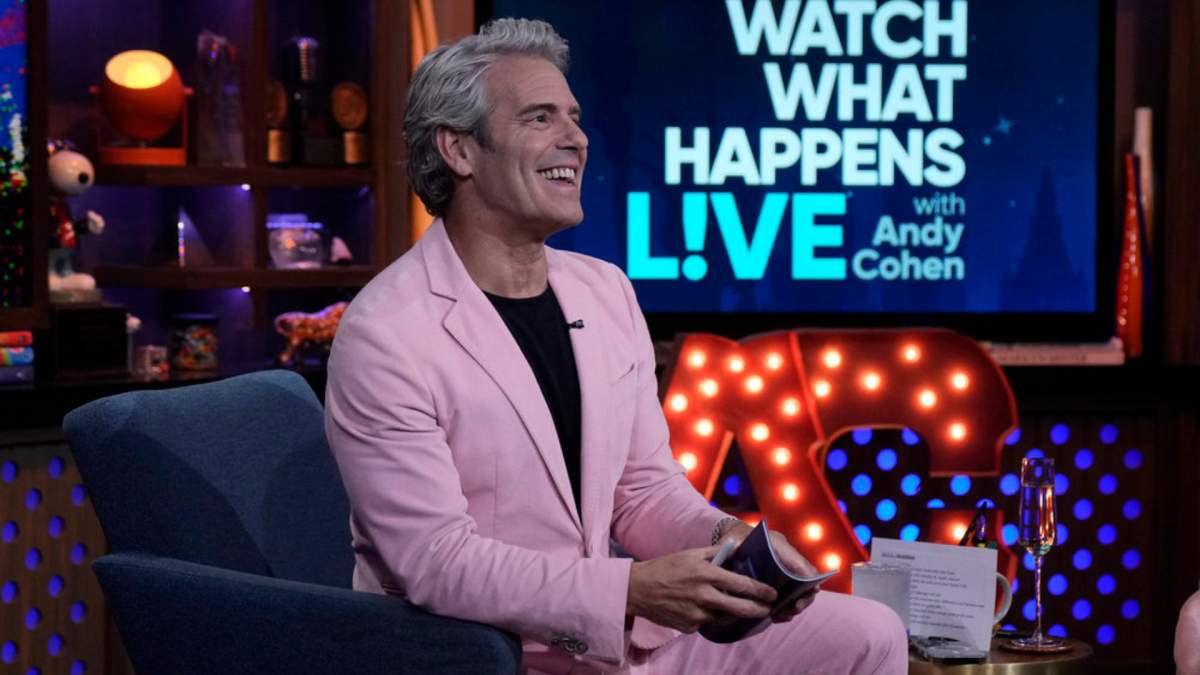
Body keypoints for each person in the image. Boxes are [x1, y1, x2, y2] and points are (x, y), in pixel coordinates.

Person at [324, 17, 906, 674]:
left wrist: (727, 541)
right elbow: (436, 560)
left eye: (575, 118)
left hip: (617, 641)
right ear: (459, 150)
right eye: (540, 118)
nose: (575, 139)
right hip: (488, 653)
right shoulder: (386, 333)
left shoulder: (604, 291)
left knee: (869, 632)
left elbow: (643, 488)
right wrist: (629, 590)